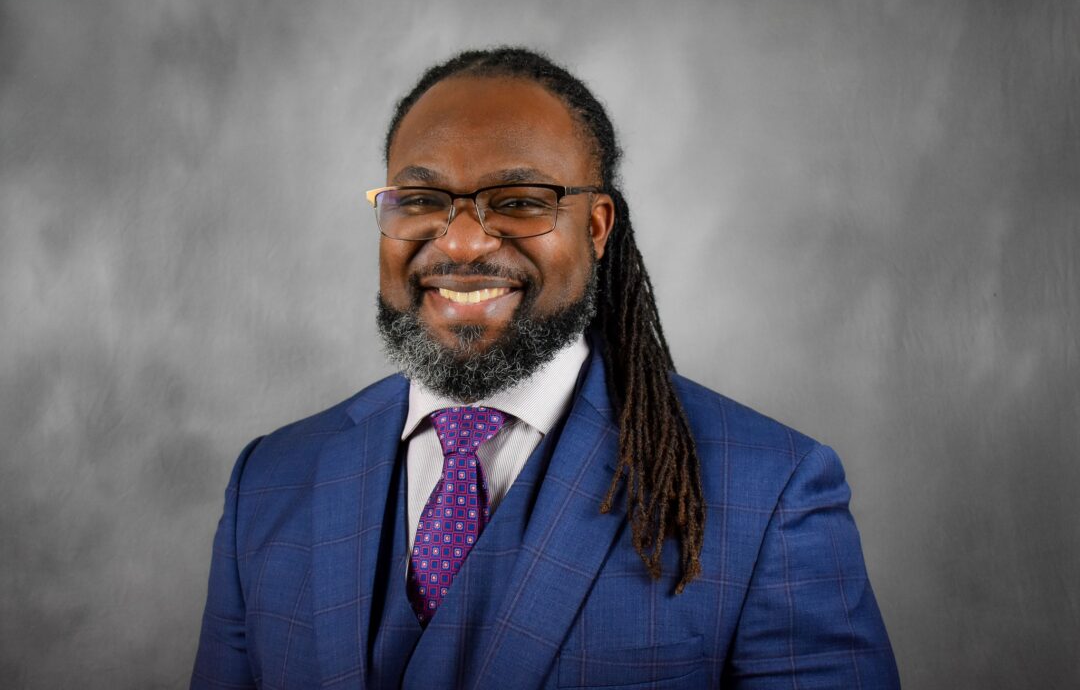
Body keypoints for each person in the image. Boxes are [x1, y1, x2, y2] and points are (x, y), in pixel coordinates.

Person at [191, 47, 900, 689]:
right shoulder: (270, 479)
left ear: (595, 228)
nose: (463, 243)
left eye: (519, 202)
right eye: (423, 200)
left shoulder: (771, 491)